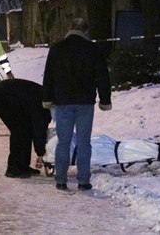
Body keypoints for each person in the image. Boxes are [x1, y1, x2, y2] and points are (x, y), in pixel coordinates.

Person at [42, 18, 111, 192]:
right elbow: (102, 76)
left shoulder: (57, 49)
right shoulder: (93, 49)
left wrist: (47, 97)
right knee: (84, 142)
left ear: (69, 28)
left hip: (63, 102)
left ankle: (61, 180)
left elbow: (48, 76)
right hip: (85, 102)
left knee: (63, 142)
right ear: (85, 31)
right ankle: (83, 181)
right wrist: (105, 99)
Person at [0, 79, 51, 178]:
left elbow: (38, 128)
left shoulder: (44, 98)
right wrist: (40, 153)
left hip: (3, 93)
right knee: (19, 130)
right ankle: (13, 168)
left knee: (25, 129)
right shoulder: (42, 106)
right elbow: (38, 129)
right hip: (3, 95)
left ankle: (22, 165)